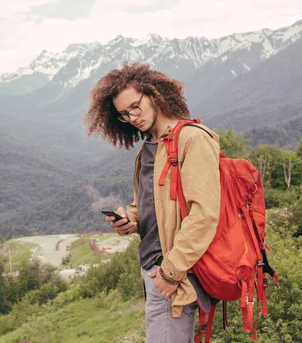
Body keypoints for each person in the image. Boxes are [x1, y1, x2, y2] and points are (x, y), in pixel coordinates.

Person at [85, 63, 220, 343]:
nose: (132, 117)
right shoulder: (150, 145)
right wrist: (130, 218)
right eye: (123, 114)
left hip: (174, 273)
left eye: (135, 107)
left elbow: (204, 214)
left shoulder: (192, 140)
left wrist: (170, 273)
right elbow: (150, 203)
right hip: (154, 271)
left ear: (154, 94)